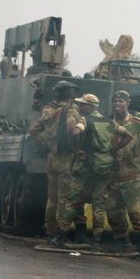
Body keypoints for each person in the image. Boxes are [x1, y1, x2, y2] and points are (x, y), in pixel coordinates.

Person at [58, 93, 134, 250]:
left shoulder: (85, 119)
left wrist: (77, 149)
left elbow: (76, 132)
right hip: (105, 166)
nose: (80, 106)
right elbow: (128, 135)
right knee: (99, 203)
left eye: (83, 104)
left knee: (73, 201)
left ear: (91, 107)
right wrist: (113, 150)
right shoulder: (108, 121)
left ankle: (61, 236)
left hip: (86, 166)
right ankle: (96, 240)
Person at [28, 80, 87, 246]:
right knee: (64, 198)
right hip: (65, 157)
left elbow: (34, 130)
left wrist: (46, 142)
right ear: (70, 94)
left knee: (51, 199)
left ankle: (50, 231)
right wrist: (76, 149)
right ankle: (61, 233)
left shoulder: (48, 109)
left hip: (51, 157)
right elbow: (71, 128)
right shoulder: (70, 110)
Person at [104, 90, 140, 255]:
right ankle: (122, 241)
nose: (118, 105)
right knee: (112, 210)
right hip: (112, 174)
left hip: (131, 174)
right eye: (115, 102)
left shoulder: (137, 122)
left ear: (128, 104)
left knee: (136, 212)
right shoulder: (108, 124)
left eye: (121, 102)